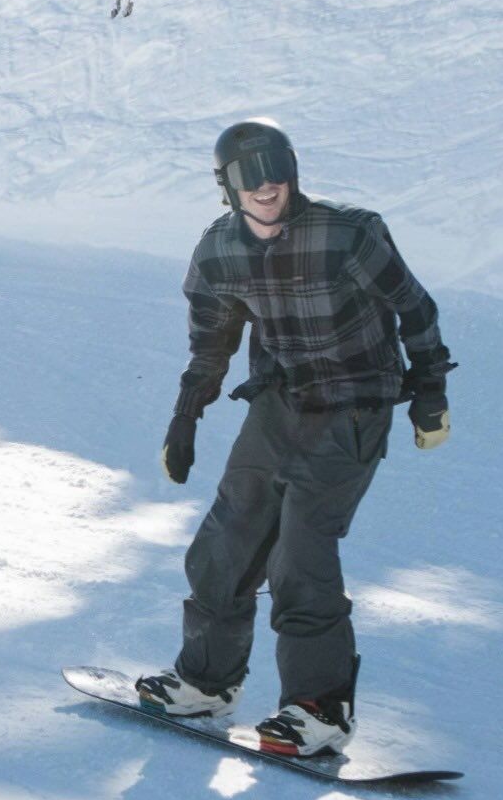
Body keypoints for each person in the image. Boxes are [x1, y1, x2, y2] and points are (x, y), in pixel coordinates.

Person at [135, 120, 454, 757]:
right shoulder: (218, 251)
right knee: (228, 538)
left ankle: (320, 708)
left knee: (301, 551)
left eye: (277, 166)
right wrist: (184, 416)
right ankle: (207, 680)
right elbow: (210, 343)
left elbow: (415, 309)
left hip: (356, 404)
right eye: (249, 174)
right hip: (280, 403)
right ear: (226, 185)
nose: (267, 184)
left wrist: (429, 392)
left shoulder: (350, 233)